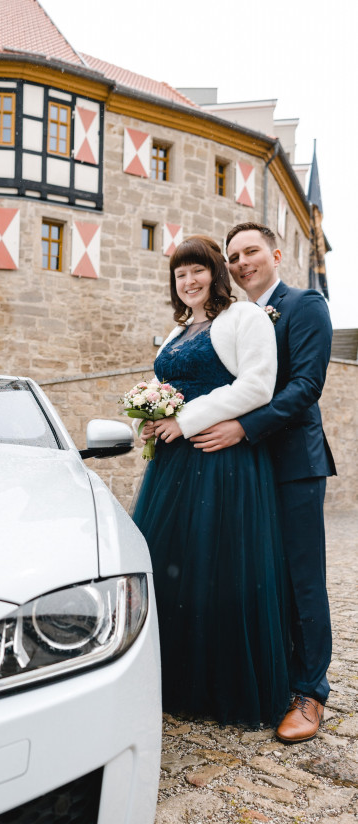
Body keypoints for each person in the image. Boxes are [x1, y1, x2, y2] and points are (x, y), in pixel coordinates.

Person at [133, 235, 290, 729]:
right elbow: (169, 388)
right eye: (180, 275)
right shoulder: (179, 330)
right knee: (175, 567)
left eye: (197, 270)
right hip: (173, 467)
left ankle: (222, 685)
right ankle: (172, 678)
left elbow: (258, 384)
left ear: (216, 273)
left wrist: (187, 420)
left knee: (219, 567)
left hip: (221, 459)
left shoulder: (244, 317)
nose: (189, 281)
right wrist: (151, 412)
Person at [190, 222, 335, 744]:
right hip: (242, 467)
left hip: (293, 462)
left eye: (251, 251)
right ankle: (270, 674)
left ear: (275, 254)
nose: (241, 261)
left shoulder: (305, 305)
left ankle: (310, 692)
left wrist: (243, 427)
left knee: (301, 579)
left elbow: (305, 387)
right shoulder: (229, 317)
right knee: (257, 575)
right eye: (232, 256)